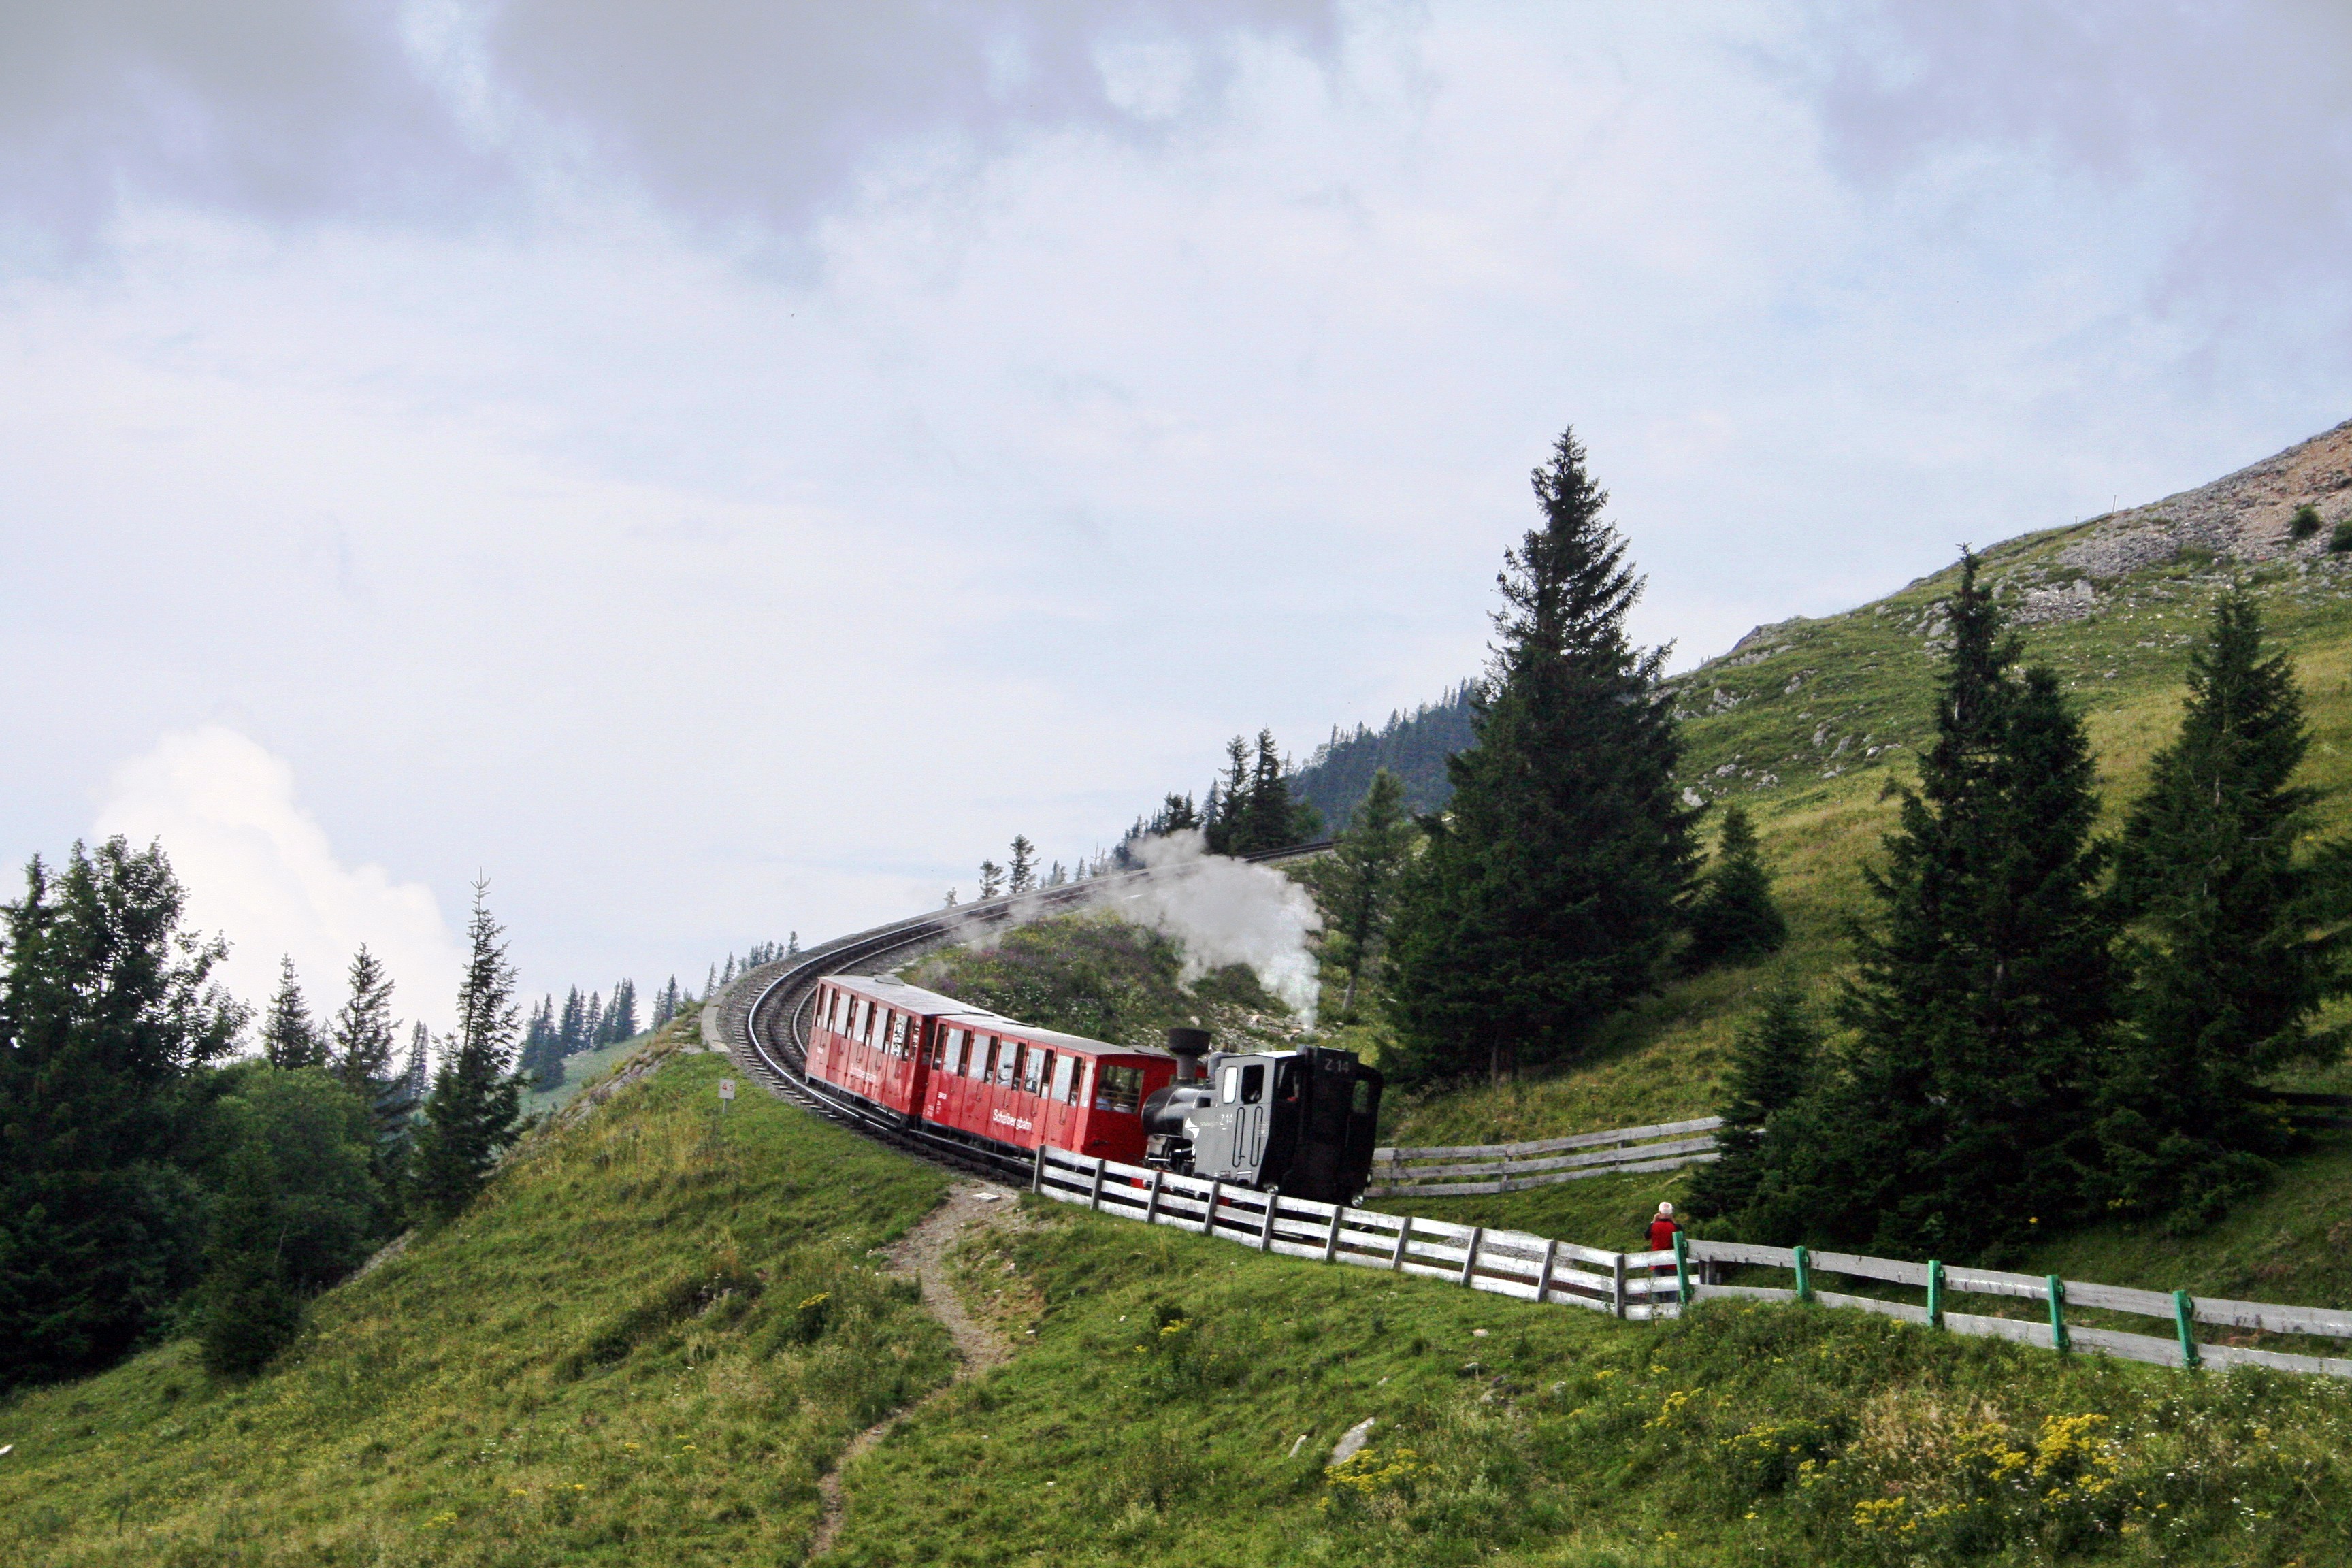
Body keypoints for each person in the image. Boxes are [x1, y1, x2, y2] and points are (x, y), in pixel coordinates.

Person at [1646, 1201, 1680, 1277]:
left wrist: (1653, 1221)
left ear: (1659, 1212)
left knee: (1658, 1286)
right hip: (1671, 1261)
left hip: (1656, 1261)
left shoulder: (1654, 1226)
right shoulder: (1674, 1227)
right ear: (1671, 1214)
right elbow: (1680, 1234)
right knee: (1671, 1286)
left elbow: (1647, 1236)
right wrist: (1673, 1220)